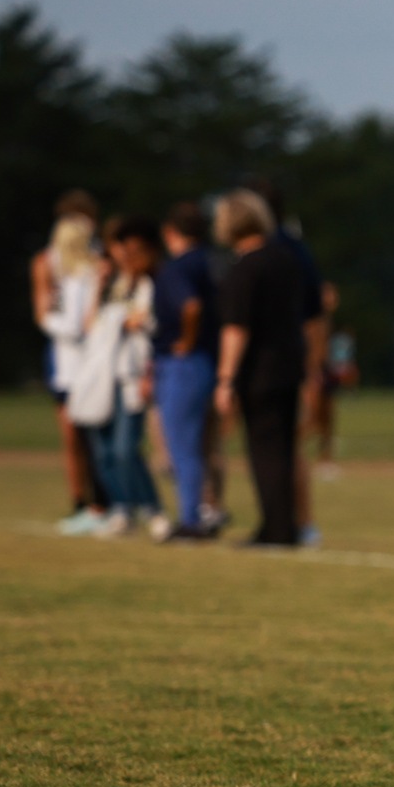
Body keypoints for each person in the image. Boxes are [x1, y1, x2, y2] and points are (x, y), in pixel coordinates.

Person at [214, 188, 311, 547]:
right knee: (285, 451)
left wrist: (225, 379)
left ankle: (276, 530)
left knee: (264, 452)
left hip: (260, 372)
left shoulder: (244, 268)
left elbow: (236, 328)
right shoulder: (286, 259)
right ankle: (287, 525)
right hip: (289, 365)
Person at [68, 216, 167, 539]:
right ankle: (121, 508)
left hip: (129, 376)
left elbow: (142, 322)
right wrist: (100, 286)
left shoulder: (147, 284)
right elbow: (88, 325)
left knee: (126, 448)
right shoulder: (111, 284)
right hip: (99, 377)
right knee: (103, 452)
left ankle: (152, 508)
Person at [35, 196, 107, 532]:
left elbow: (84, 322)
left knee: (96, 434)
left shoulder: (96, 266)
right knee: (72, 436)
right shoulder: (47, 263)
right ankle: (81, 501)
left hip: (92, 360)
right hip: (64, 363)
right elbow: (46, 313)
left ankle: (103, 503)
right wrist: (53, 319)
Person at [153, 202, 224, 539]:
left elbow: (191, 306)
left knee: (182, 446)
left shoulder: (177, 267)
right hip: (209, 361)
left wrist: (185, 341)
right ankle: (206, 510)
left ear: (171, 232)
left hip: (183, 363)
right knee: (202, 445)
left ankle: (190, 518)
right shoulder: (211, 262)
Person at [313, 283, 356, 475]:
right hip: (316, 374)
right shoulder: (314, 319)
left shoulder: (327, 320)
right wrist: (314, 372)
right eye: (329, 294)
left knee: (328, 420)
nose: (333, 298)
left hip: (327, 373)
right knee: (311, 418)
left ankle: (326, 460)